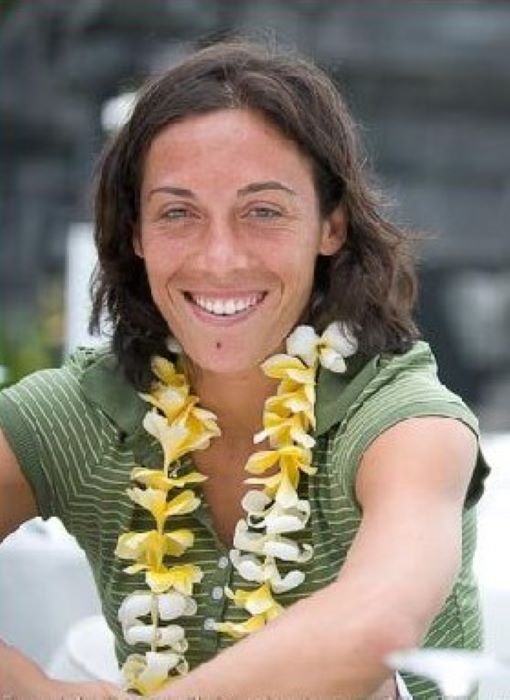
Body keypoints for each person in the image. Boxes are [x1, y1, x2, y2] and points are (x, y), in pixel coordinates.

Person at [0, 39, 489, 699]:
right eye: (178, 212)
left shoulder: (405, 422)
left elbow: (375, 628)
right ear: (135, 233)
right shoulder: (78, 417)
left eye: (263, 211)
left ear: (331, 226)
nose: (220, 258)